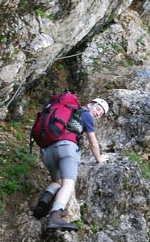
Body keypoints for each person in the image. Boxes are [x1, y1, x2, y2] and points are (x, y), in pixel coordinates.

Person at [33, 97, 109, 230]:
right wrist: (99, 158)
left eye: (101, 113)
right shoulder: (86, 116)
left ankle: (44, 201)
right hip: (67, 148)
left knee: (58, 182)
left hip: (49, 151)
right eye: (97, 108)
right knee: (68, 184)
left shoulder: (68, 112)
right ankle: (55, 216)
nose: (97, 113)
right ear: (90, 104)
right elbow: (93, 142)